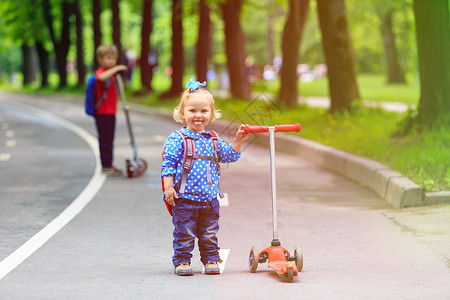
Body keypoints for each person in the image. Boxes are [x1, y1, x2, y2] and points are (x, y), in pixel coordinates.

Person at [161, 77, 249, 276]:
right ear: (182, 113)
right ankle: (182, 262)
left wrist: (238, 140)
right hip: (184, 199)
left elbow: (229, 156)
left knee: (209, 234)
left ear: (211, 114)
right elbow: (168, 164)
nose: (198, 115)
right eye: (192, 111)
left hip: (209, 200)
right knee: (184, 234)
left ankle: (210, 259)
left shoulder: (213, 139)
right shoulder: (178, 138)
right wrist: (168, 187)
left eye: (203, 111)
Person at [94, 44, 127, 176]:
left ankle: (108, 163)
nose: (112, 61)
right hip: (102, 113)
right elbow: (100, 78)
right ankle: (105, 165)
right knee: (105, 139)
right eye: (108, 58)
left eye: (114, 58)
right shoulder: (101, 72)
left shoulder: (112, 76)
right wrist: (117, 68)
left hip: (111, 112)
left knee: (110, 139)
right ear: (100, 59)